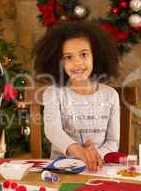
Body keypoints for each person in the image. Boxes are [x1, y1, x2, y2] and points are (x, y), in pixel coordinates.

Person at [34, 21, 120, 171]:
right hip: (61, 170)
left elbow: (113, 141)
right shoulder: (53, 93)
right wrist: (79, 151)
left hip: (99, 169)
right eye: (68, 57)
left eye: (84, 54)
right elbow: (52, 129)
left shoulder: (110, 95)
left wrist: (94, 156)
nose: (77, 63)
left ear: (96, 56)